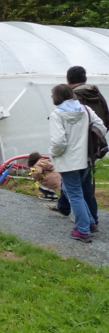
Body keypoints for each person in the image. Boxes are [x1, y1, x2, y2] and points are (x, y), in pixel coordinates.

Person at [49, 84, 106, 243]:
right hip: (86, 159)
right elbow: (100, 127)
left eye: (52, 95)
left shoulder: (57, 114)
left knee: (74, 195)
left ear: (57, 97)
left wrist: (53, 153)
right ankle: (90, 223)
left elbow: (59, 141)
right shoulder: (86, 110)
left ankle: (83, 230)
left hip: (68, 161)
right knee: (75, 191)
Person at [66, 65, 109, 225]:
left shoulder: (73, 97)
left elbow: (71, 123)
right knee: (81, 180)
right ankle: (66, 207)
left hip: (79, 146)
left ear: (68, 80)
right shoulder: (97, 93)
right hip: (95, 143)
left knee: (80, 184)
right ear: (85, 78)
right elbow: (106, 117)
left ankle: (90, 219)